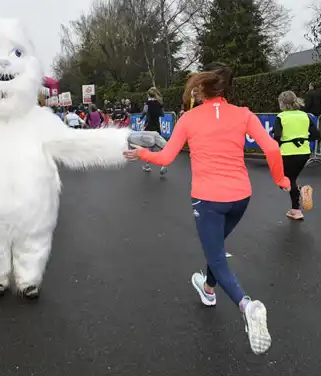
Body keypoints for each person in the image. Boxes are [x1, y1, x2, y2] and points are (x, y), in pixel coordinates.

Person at [123, 68, 291, 355]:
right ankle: (208, 289)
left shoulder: (188, 119)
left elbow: (165, 157)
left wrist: (140, 154)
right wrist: (281, 180)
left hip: (208, 200)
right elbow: (273, 149)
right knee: (216, 250)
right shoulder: (244, 114)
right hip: (241, 197)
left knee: (217, 257)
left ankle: (247, 306)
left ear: (200, 91)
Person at [273, 91, 320, 220]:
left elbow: (276, 136)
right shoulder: (305, 116)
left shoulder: (281, 117)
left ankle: (300, 191)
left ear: (281, 103)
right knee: (291, 179)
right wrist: (302, 139)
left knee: (284, 182)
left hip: (287, 152)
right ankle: (296, 210)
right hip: (304, 153)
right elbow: (316, 135)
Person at [139, 87, 168, 175]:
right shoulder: (159, 103)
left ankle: (148, 165)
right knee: (159, 146)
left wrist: (141, 118)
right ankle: (164, 164)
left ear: (148, 95)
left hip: (149, 127)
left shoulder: (147, 103)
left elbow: (144, 112)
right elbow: (162, 114)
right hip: (157, 127)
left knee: (150, 147)